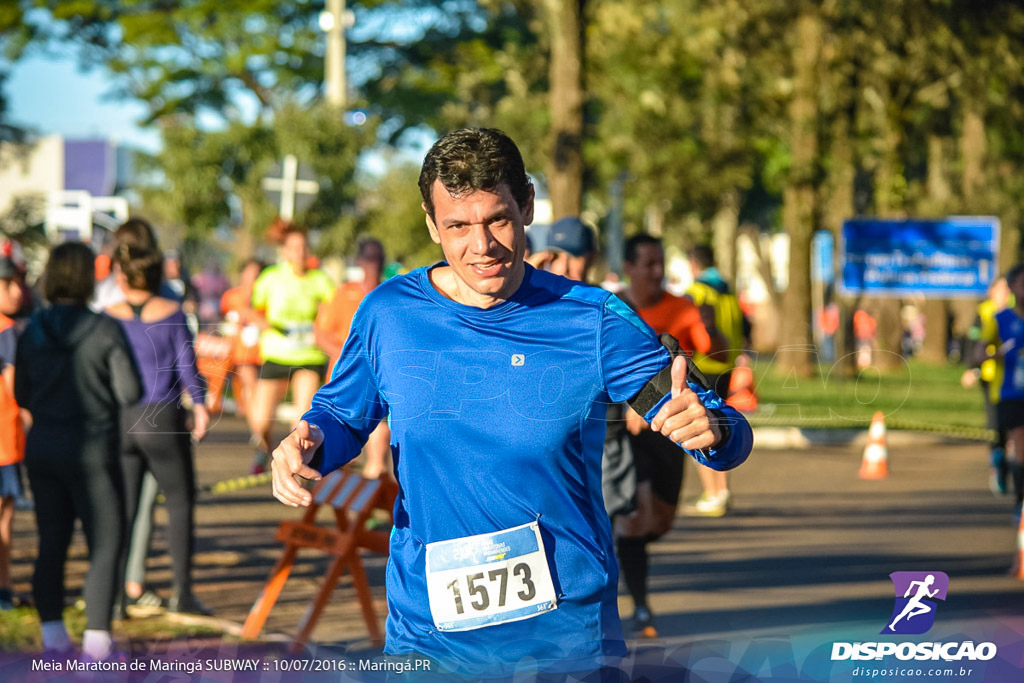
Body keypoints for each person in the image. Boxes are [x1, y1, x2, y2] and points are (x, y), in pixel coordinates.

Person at [269, 128, 753, 677]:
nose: (481, 246)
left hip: (562, 641)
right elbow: (340, 416)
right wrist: (307, 440)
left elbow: (721, 428)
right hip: (427, 637)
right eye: (457, 226)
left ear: (525, 205)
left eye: (497, 219)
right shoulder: (389, 314)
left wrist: (713, 429)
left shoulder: (590, 319)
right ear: (431, 224)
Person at [15, 242, 142, 660]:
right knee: (105, 542)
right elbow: (130, 391)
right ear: (88, 277)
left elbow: (22, 393)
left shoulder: (31, 329)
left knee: (52, 540)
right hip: (93, 449)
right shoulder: (104, 329)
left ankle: (53, 638)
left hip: (44, 446)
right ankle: (97, 646)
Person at [615, 233, 722, 636]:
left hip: (673, 432)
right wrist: (630, 405)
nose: (657, 272)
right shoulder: (613, 309)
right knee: (632, 517)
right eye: (648, 264)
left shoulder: (682, 307)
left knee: (659, 520)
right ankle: (639, 606)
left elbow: (709, 355)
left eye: (661, 263)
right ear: (629, 268)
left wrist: (714, 331)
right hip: (623, 433)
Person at [105, 244, 210, 615]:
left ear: (122, 276)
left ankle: (115, 599)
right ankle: (183, 595)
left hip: (121, 419)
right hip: (162, 418)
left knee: (124, 510)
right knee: (180, 504)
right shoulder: (172, 314)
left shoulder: (108, 317)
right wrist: (200, 407)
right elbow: (187, 368)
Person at [247, 226, 335, 474]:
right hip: (277, 352)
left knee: (303, 417)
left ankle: (297, 462)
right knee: (261, 421)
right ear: (285, 251)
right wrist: (262, 323)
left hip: (309, 354)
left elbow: (334, 312)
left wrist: (324, 324)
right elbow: (252, 309)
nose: (299, 252)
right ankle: (263, 449)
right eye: (294, 248)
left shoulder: (320, 280)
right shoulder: (271, 277)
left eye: (303, 247)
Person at [314, 238, 392, 479]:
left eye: (378, 259)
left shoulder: (391, 294)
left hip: (380, 386)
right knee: (344, 461)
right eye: (369, 258)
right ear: (359, 261)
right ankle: (346, 512)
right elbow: (321, 335)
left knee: (378, 459)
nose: (374, 264)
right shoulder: (343, 294)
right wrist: (352, 359)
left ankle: (366, 511)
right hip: (345, 386)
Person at [685, 244, 749, 518]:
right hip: (727, 364)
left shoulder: (698, 291)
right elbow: (745, 326)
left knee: (702, 428)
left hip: (702, 365)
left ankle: (714, 494)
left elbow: (687, 326)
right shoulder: (727, 289)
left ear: (693, 263)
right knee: (722, 424)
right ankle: (723, 489)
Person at [977, 264, 1024, 516]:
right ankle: (1019, 500)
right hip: (1009, 393)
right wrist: (995, 355)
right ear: (1013, 287)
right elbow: (976, 353)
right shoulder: (1000, 319)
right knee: (1017, 441)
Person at [965, 276, 1011, 495]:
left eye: (1007, 289)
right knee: (995, 422)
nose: (1004, 293)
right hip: (990, 376)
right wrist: (971, 369)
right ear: (991, 292)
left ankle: (1011, 462)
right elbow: (974, 342)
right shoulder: (984, 312)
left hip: (1014, 378)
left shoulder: (1017, 311)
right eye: (1000, 289)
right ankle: (998, 462)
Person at [0, 257, 27, 610]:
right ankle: (3, 589)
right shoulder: (7, 330)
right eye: (7, 285)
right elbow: (14, 385)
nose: (17, 291)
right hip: (4, 438)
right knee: (4, 516)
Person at [220, 258, 266, 419]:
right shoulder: (231, 296)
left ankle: (258, 422)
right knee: (250, 386)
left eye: (257, 273)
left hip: (264, 349)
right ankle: (257, 425)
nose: (254, 276)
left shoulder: (266, 295)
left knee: (259, 388)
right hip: (241, 349)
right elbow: (225, 319)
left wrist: (253, 317)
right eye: (250, 272)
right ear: (243, 274)